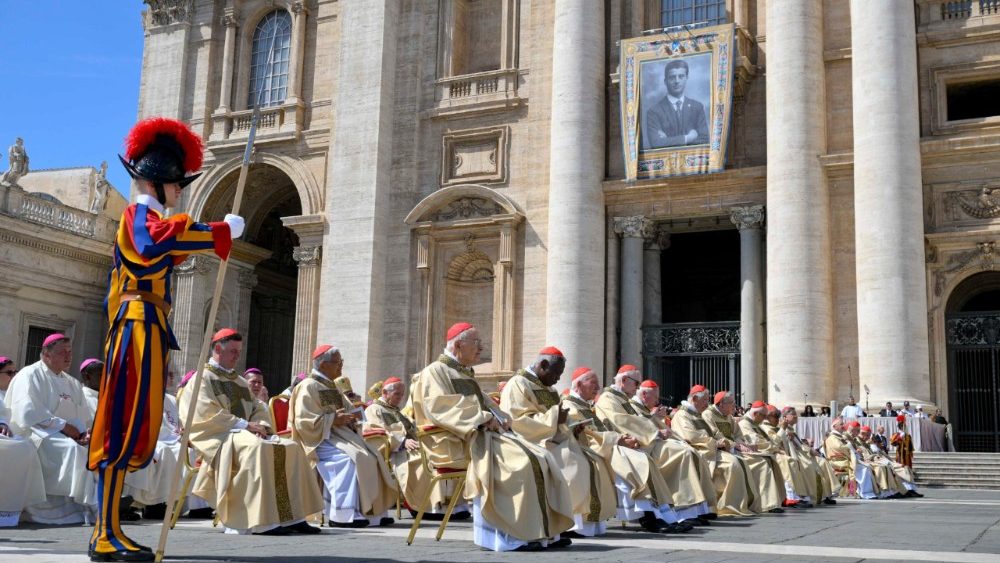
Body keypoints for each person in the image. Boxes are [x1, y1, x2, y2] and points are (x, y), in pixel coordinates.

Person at [86, 116, 244, 562]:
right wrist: (217, 232)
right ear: (159, 184)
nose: (180, 193)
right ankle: (104, 533)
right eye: (177, 186)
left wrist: (219, 237)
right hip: (136, 326)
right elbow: (155, 244)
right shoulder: (139, 215)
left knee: (134, 426)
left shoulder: (153, 218)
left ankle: (110, 529)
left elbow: (171, 246)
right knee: (120, 425)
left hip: (150, 326)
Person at [410, 322, 575, 552]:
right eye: (476, 343)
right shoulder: (434, 372)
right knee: (521, 463)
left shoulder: (463, 372)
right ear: (458, 344)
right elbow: (439, 408)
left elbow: (485, 403)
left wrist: (501, 417)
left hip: (480, 435)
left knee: (542, 456)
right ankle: (510, 537)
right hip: (455, 440)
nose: (481, 348)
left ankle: (544, 532)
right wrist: (483, 418)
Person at [179, 329, 322, 535]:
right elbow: (204, 412)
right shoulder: (202, 378)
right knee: (256, 449)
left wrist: (261, 425)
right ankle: (261, 522)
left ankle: (292, 517)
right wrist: (246, 426)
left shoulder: (238, 381)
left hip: (244, 433)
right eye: (233, 351)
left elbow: (258, 407)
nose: (238, 356)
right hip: (219, 436)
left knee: (291, 447)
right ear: (218, 349)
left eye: (239, 351)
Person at [501, 350, 617, 538]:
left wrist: (573, 427)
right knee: (574, 463)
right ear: (543, 365)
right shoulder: (518, 384)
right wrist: (554, 418)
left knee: (594, 459)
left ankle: (582, 522)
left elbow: (560, 420)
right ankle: (567, 524)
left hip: (554, 439)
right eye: (556, 373)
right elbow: (518, 420)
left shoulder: (550, 389)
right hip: (531, 441)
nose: (557, 379)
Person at [562, 367, 687, 535]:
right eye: (593, 384)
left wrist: (622, 438)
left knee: (640, 460)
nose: (598, 388)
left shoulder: (585, 404)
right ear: (578, 384)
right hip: (594, 448)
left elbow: (603, 427)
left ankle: (662, 515)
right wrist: (618, 439)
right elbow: (585, 434)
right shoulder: (570, 404)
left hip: (606, 445)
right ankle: (649, 517)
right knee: (635, 463)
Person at [291, 345, 397, 528]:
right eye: (337, 363)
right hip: (319, 439)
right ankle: (342, 514)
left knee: (373, 456)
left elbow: (350, 412)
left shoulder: (333, 386)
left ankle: (373, 513)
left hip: (341, 436)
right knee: (350, 460)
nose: (341, 366)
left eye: (341, 362)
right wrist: (333, 420)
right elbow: (304, 421)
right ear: (323, 365)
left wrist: (354, 413)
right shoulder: (308, 386)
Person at [5, 334, 96, 524]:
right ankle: (85, 505)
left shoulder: (71, 382)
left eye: (70, 351)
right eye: (62, 352)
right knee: (73, 451)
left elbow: (82, 414)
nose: (68, 356)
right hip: (37, 434)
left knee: (94, 450)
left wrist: (84, 433)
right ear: (46, 355)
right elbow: (29, 412)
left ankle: (87, 504)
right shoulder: (29, 375)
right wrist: (64, 427)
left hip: (69, 435)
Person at [363, 376, 461, 520]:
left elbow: (413, 430)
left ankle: (445, 505)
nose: (400, 398)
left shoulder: (396, 410)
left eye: (402, 394)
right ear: (385, 393)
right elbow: (377, 432)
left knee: (441, 454)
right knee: (424, 461)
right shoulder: (374, 409)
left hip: (413, 446)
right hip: (395, 452)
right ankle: (422, 507)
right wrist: (402, 442)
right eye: (397, 394)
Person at [626, 376, 715, 525]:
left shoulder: (643, 407)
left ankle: (696, 510)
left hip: (657, 443)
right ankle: (682, 510)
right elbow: (636, 428)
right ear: (644, 395)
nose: (657, 401)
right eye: (655, 397)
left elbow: (653, 426)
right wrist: (657, 431)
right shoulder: (633, 406)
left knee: (690, 451)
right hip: (646, 446)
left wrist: (659, 424)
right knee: (684, 453)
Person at [670, 385, 754, 517]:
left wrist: (727, 443)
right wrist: (715, 443)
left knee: (737, 461)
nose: (708, 403)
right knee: (732, 464)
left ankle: (720, 506)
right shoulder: (682, 415)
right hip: (699, 450)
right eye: (705, 400)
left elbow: (713, 432)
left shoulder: (698, 415)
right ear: (695, 398)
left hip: (709, 449)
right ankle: (725, 506)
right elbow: (691, 436)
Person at [707, 396, 785, 513]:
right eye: (731, 403)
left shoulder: (729, 416)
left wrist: (740, 444)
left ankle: (768, 503)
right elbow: (716, 434)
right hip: (718, 450)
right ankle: (757, 503)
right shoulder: (708, 415)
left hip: (735, 448)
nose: (734, 406)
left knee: (767, 460)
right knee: (762, 463)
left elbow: (738, 435)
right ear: (721, 404)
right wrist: (735, 445)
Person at [0, 356, 47, 527]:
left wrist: (4, 424)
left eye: (15, 372)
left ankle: (20, 506)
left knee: (26, 447)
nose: (14, 376)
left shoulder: (13, 393)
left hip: (9, 436)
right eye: (9, 372)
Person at [774, 406, 837, 505]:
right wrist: (808, 450)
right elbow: (780, 443)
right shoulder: (781, 428)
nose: (796, 417)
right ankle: (806, 496)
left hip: (801, 453)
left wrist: (810, 450)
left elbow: (800, 445)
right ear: (785, 417)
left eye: (796, 414)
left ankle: (826, 495)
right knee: (808, 465)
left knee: (822, 461)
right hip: (792, 455)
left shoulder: (791, 429)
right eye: (793, 415)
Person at [644, 59, 709, 148]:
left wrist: (668, 141)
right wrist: (688, 138)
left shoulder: (697, 107)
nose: (677, 81)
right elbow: (656, 143)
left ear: (686, 78)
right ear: (665, 81)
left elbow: (705, 140)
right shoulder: (654, 111)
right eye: (672, 77)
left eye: (681, 76)